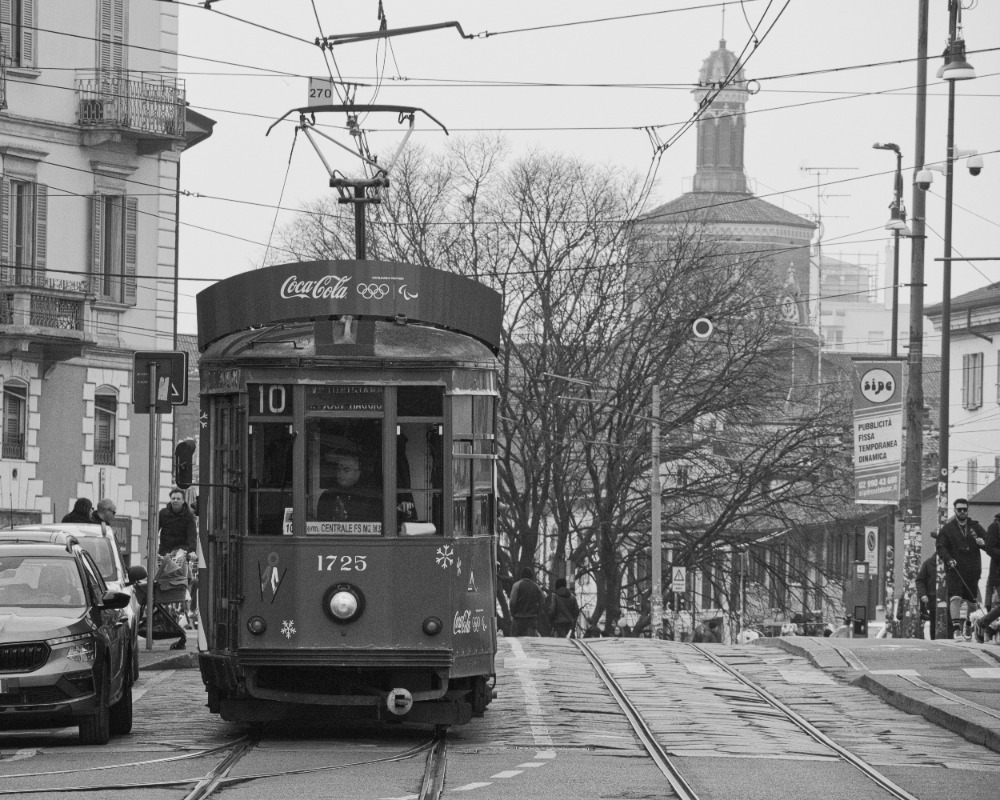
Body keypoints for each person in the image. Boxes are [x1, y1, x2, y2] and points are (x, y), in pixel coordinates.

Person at [936, 498, 987, 640]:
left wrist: (984, 543)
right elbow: (941, 546)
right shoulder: (948, 529)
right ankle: (957, 629)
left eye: (965, 509)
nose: (962, 512)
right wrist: (948, 559)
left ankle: (969, 624)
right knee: (955, 597)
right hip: (955, 568)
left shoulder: (975, 527)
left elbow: (989, 542)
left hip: (973, 569)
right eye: (960, 509)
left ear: (967, 510)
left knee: (972, 601)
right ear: (955, 510)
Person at [316, 446, 382, 522]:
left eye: (346, 470)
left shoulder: (370, 497)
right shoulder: (328, 496)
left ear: (358, 473)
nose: (340, 474)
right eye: (338, 470)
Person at [158, 487, 198, 556]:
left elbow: (192, 536)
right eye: (173, 498)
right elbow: (153, 531)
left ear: (183, 501)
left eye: (178, 499)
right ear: (170, 500)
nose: (175, 500)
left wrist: (192, 551)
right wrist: (150, 549)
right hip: (164, 551)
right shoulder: (162, 513)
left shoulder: (189, 516)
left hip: (181, 551)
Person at [509, 567, 543, 637]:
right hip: (531, 619)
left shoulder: (516, 585)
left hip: (518, 619)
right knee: (530, 642)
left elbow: (512, 602)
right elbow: (542, 602)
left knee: (516, 641)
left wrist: (513, 613)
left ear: (521, 576)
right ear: (531, 576)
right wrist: (538, 614)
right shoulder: (536, 587)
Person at [915, 553, 940, 640]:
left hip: (947, 598)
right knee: (934, 622)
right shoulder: (929, 563)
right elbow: (920, 580)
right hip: (933, 598)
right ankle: (935, 641)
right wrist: (923, 594)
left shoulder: (951, 562)